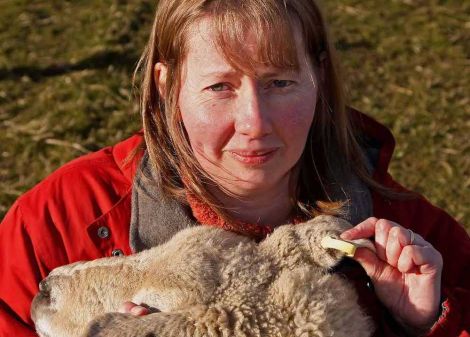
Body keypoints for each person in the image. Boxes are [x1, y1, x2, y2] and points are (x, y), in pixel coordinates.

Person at [1, 0, 469, 336]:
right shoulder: (57, 225)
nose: (254, 123)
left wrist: (426, 323)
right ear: (168, 86)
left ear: (319, 79)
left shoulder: (406, 239)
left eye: (280, 82)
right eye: (220, 87)